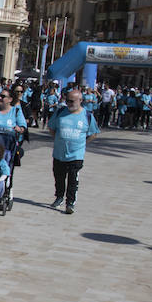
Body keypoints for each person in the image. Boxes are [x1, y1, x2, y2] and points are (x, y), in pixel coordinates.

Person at [48, 83, 98, 214]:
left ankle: (70, 203)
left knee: (72, 179)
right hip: (59, 153)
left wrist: (82, 143)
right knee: (58, 177)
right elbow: (51, 128)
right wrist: (59, 139)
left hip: (76, 155)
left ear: (80, 101)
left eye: (72, 101)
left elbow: (93, 133)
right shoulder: (60, 112)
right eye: (67, 100)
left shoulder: (87, 115)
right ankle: (59, 197)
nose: (69, 103)